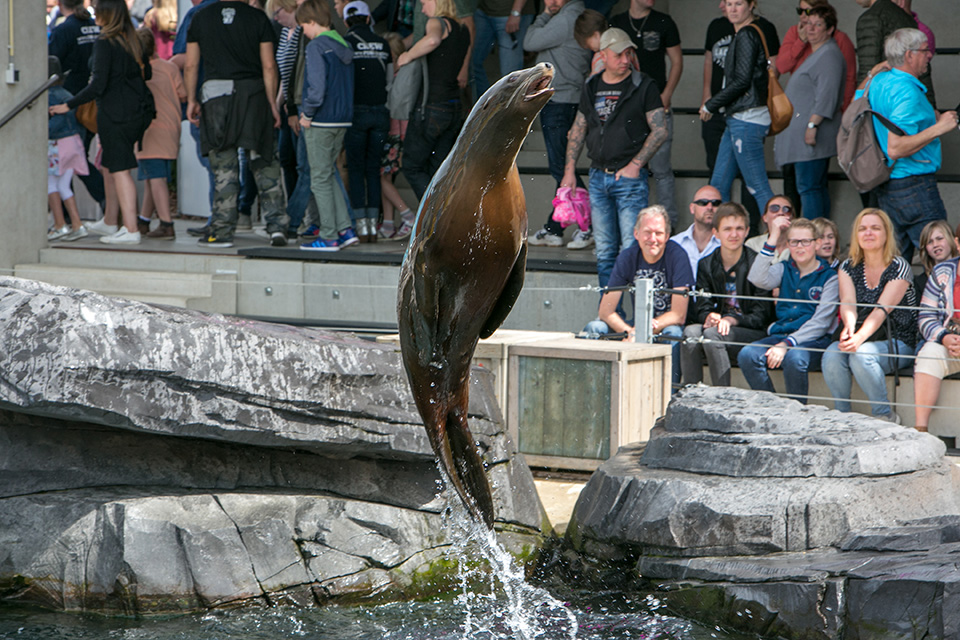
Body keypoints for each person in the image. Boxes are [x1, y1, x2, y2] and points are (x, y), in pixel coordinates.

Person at [560, 27, 667, 288]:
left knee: (632, 250)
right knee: (605, 252)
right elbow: (579, 127)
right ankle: (610, 317)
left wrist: (635, 164)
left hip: (629, 177)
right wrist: (569, 170)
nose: (624, 60)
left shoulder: (643, 84)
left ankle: (636, 321)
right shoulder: (592, 85)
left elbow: (660, 129)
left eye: (628, 54)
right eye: (619, 54)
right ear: (603, 55)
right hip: (597, 174)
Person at [184, 0, 290, 248]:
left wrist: (191, 99)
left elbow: (190, 65)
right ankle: (277, 227)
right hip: (253, 96)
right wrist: (272, 104)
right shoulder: (257, 18)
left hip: (216, 96)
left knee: (224, 165)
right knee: (264, 161)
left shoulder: (200, 17)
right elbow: (269, 66)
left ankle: (222, 231)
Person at [51, 0, 154, 246]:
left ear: (107, 14)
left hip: (115, 113)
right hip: (136, 111)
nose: (94, 13)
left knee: (119, 169)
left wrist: (69, 104)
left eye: (98, 9)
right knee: (110, 166)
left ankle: (130, 229)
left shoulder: (106, 42)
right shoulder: (132, 39)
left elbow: (97, 84)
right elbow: (146, 73)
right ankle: (110, 221)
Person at [860, 28, 957, 264]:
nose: (930, 55)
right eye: (925, 50)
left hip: (886, 184)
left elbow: (857, 101)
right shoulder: (907, 92)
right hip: (915, 186)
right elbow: (896, 147)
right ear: (909, 55)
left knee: (896, 267)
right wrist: (940, 127)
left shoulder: (880, 81)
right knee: (940, 260)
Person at [822, 208, 916, 421]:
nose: (868, 233)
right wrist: (849, 328)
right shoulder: (848, 266)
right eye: (862, 229)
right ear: (856, 235)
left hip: (899, 339)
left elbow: (881, 310)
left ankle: (884, 415)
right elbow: (848, 302)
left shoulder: (900, 266)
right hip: (862, 333)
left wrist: (859, 338)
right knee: (832, 355)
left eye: (875, 228)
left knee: (862, 355)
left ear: (886, 234)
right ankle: (842, 416)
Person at [583, 205, 692, 387]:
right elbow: (605, 311)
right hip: (634, 326)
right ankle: (593, 393)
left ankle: (668, 399)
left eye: (658, 233)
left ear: (667, 236)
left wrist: (645, 329)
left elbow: (679, 315)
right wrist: (630, 332)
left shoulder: (678, 256)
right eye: (647, 232)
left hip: (662, 327)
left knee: (673, 333)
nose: (653, 239)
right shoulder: (627, 256)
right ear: (636, 234)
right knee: (595, 327)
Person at [737, 218, 839, 403]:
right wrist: (774, 236)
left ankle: (797, 412)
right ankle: (773, 408)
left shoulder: (830, 277)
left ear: (816, 244)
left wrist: (787, 344)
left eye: (805, 241)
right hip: (781, 334)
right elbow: (756, 278)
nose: (800, 247)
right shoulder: (784, 269)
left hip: (812, 340)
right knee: (747, 354)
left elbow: (821, 323)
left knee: (795, 357)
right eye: (794, 242)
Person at [700, 0, 777, 236]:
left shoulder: (746, 34)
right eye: (729, 3)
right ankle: (709, 241)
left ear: (752, 5)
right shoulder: (745, 33)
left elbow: (742, 81)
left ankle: (784, 239)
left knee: (758, 187)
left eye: (739, 3)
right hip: (739, 118)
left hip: (747, 118)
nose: (733, 9)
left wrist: (711, 104)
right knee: (718, 186)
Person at [681, 202, 773, 386]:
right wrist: (708, 315)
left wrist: (733, 319)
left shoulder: (757, 263)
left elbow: (762, 315)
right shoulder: (706, 263)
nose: (734, 234)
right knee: (691, 332)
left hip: (751, 331)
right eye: (727, 229)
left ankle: (722, 397)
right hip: (719, 330)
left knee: (713, 335)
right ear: (716, 232)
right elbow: (701, 303)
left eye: (739, 228)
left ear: (747, 231)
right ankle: (690, 394)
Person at [523, 0, 590, 249]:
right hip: (565, 99)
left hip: (560, 101)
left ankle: (589, 226)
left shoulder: (564, 19)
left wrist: (542, 16)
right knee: (561, 168)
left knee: (561, 169)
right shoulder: (570, 16)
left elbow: (529, 41)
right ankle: (555, 227)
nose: (551, 2)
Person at [609, 0, 681, 227]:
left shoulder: (663, 21)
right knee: (626, 166)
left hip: (656, 104)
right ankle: (633, 226)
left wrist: (666, 95)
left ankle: (669, 225)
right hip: (626, 110)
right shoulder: (618, 22)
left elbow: (677, 62)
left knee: (660, 169)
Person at [295, 0, 357, 251]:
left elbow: (317, 89)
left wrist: (306, 113)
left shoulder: (316, 46)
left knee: (319, 178)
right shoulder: (342, 43)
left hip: (320, 120)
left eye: (303, 26)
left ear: (311, 22)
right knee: (329, 172)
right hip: (342, 118)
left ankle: (330, 236)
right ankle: (345, 229)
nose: (303, 32)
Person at [774, 4, 844, 222]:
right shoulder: (818, 53)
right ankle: (818, 238)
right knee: (811, 187)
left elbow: (827, 96)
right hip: (800, 139)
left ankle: (816, 240)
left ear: (830, 29)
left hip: (811, 138)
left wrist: (813, 125)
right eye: (808, 24)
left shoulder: (829, 55)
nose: (811, 29)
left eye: (818, 24)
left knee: (810, 188)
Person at [397, 0, 470, 202]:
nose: (422, 9)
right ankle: (442, 219)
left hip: (431, 107)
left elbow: (432, 41)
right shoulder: (463, 30)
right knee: (438, 169)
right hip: (454, 106)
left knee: (411, 166)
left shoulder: (437, 23)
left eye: (424, 3)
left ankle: (433, 214)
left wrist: (407, 55)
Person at [48, 0, 107, 216]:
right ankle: (103, 202)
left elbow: (51, 64)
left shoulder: (63, 30)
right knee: (75, 157)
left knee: (71, 159)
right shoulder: (98, 27)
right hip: (95, 102)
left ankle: (68, 216)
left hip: (70, 103)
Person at [343, 0, 390, 243]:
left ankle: (360, 226)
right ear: (369, 18)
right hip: (381, 112)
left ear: (345, 22)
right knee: (373, 169)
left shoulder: (345, 43)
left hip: (355, 113)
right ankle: (373, 226)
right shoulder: (383, 43)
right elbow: (389, 79)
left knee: (356, 168)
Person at [132, 27, 184, 240]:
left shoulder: (138, 73)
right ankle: (144, 220)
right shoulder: (169, 68)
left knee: (156, 178)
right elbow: (182, 94)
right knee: (154, 176)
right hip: (172, 127)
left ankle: (166, 223)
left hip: (150, 130)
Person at [776, 0, 855, 109]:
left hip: (828, 105)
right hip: (799, 103)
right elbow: (781, 67)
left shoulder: (840, 38)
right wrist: (800, 42)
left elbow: (849, 78)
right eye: (800, 11)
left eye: (808, 11)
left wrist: (845, 111)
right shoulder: (794, 32)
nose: (803, 16)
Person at [854, 0, 933, 107]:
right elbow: (921, 64)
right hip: (914, 94)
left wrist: (857, 110)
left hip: (885, 101)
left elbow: (867, 69)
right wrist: (931, 105)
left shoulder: (870, 18)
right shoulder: (905, 16)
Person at [46, 56, 90, 243]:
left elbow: (52, 127)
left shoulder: (48, 97)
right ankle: (77, 224)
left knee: (50, 184)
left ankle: (59, 225)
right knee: (64, 185)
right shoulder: (67, 95)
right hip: (74, 144)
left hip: (57, 145)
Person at [914, 255, 960, 432]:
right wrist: (944, 338)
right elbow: (926, 316)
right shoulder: (943, 271)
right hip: (950, 341)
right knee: (929, 354)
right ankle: (921, 431)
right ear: (957, 243)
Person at [378, 31, 415, 241]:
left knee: (383, 177)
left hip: (396, 134)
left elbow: (401, 110)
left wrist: (401, 140)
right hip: (393, 132)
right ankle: (389, 224)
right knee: (385, 176)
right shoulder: (398, 73)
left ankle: (407, 215)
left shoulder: (400, 75)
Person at [471, 0, 534, 99]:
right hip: (484, 10)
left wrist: (516, 12)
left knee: (511, 74)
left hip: (510, 13)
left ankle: (510, 110)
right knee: (473, 62)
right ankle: (486, 106)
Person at [669, 185, 721, 280]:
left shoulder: (729, 244)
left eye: (715, 203)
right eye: (703, 203)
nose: (709, 207)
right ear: (692, 208)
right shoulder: (674, 243)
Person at [914, 220, 959, 299]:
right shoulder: (921, 282)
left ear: (952, 240)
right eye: (929, 242)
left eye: (939, 238)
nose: (935, 245)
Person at [745, 195, 795, 263]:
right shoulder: (752, 244)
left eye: (787, 210)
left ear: (792, 218)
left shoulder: (800, 244)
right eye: (774, 208)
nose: (780, 213)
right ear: (765, 218)